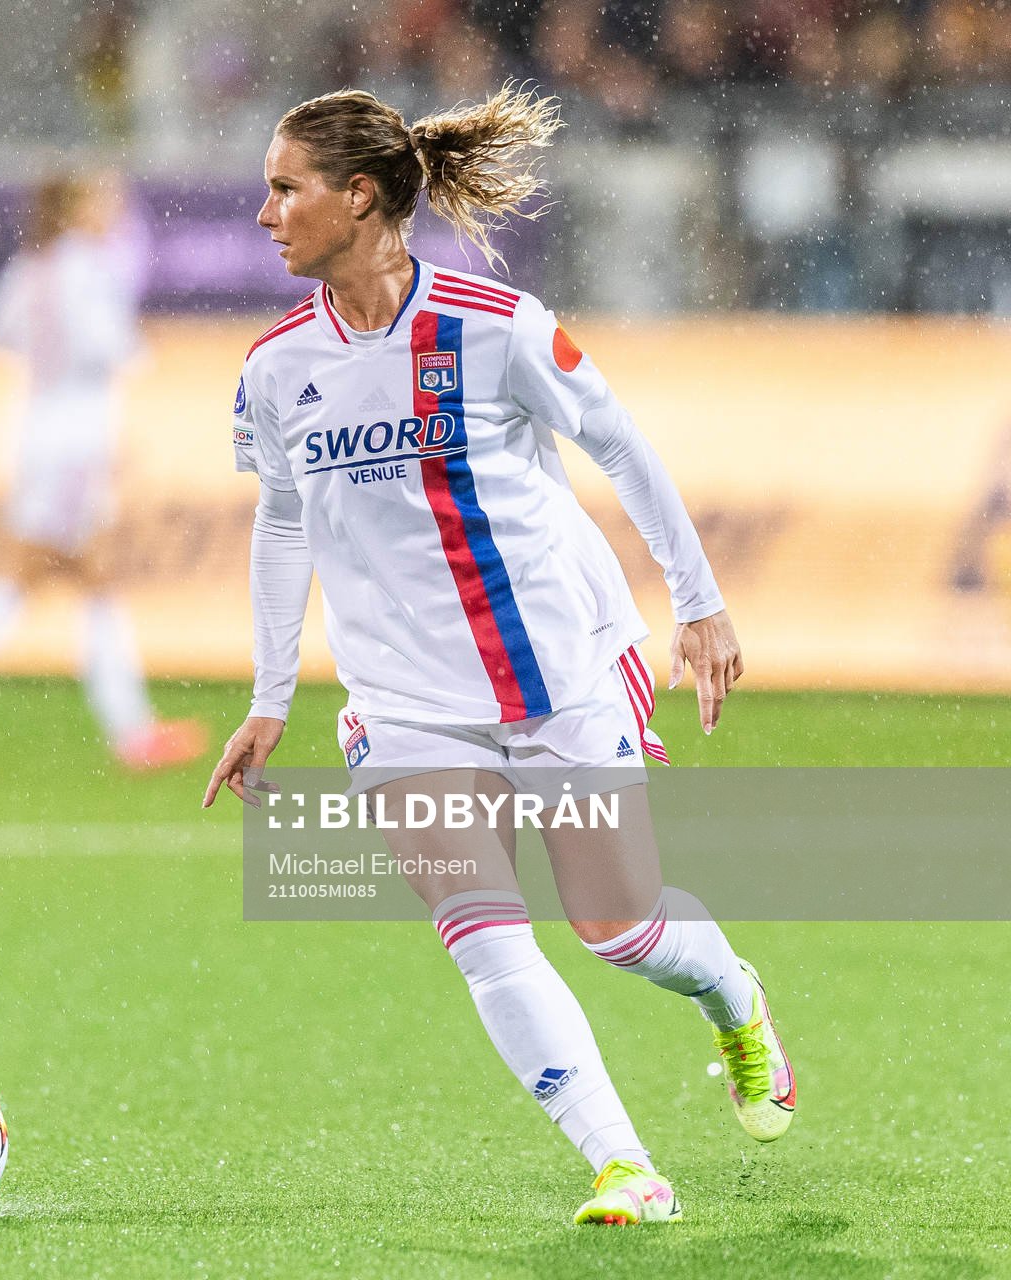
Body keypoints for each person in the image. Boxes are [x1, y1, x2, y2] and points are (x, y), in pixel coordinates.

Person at [201, 87, 792, 1226]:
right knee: (484, 934)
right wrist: (271, 696)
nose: (264, 212)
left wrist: (700, 605)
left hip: (555, 669)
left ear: (359, 195)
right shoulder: (277, 368)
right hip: (405, 699)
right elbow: (282, 520)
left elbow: (621, 444)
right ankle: (625, 1163)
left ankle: (734, 995)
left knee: (618, 928)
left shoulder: (495, 324)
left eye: (286, 188)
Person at [0, 174, 205, 772]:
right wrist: (142, 349)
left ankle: (129, 730)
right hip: (77, 444)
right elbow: (109, 348)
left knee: (71, 577)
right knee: (47, 576)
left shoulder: (31, 268)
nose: (112, 208)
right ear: (76, 209)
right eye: (102, 198)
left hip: (35, 432)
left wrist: (44, 359)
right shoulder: (90, 268)